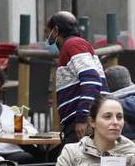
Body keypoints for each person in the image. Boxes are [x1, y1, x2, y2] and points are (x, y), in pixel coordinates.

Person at [45, 11, 106, 144]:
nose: (47, 37)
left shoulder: (73, 44)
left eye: (47, 32)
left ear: (56, 30)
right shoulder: (74, 45)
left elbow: (91, 80)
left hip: (82, 123)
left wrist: (82, 118)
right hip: (81, 121)